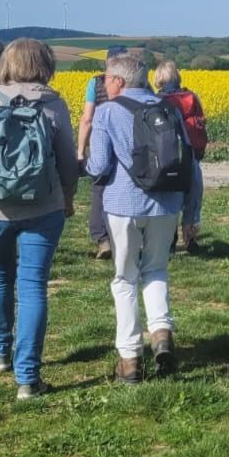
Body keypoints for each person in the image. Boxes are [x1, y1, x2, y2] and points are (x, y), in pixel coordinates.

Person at [0, 38, 78, 400]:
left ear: (7, 64)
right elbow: (69, 162)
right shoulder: (54, 104)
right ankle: (28, 379)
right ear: (45, 65)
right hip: (44, 208)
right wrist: (68, 197)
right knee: (33, 285)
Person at [86, 51, 184, 384]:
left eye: (105, 79)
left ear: (118, 81)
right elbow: (188, 162)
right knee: (156, 269)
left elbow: (99, 166)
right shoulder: (169, 108)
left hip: (123, 206)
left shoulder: (107, 112)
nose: (104, 85)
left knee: (125, 279)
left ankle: (130, 360)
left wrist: (85, 166)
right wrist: (191, 211)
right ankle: (161, 335)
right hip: (166, 204)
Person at [77, 47, 128, 260]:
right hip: (127, 142)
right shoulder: (134, 81)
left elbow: (87, 118)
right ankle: (125, 238)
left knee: (99, 189)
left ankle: (102, 239)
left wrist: (81, 151)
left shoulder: (95, 83)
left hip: (101, 141)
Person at [154, 59, 207, 254]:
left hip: (168, 157)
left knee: (170, 197)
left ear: (159, 78)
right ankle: (190, 236)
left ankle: (170, 239)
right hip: (191, 154)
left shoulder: (157, 100)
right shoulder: (191, 97)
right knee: (193, 196)